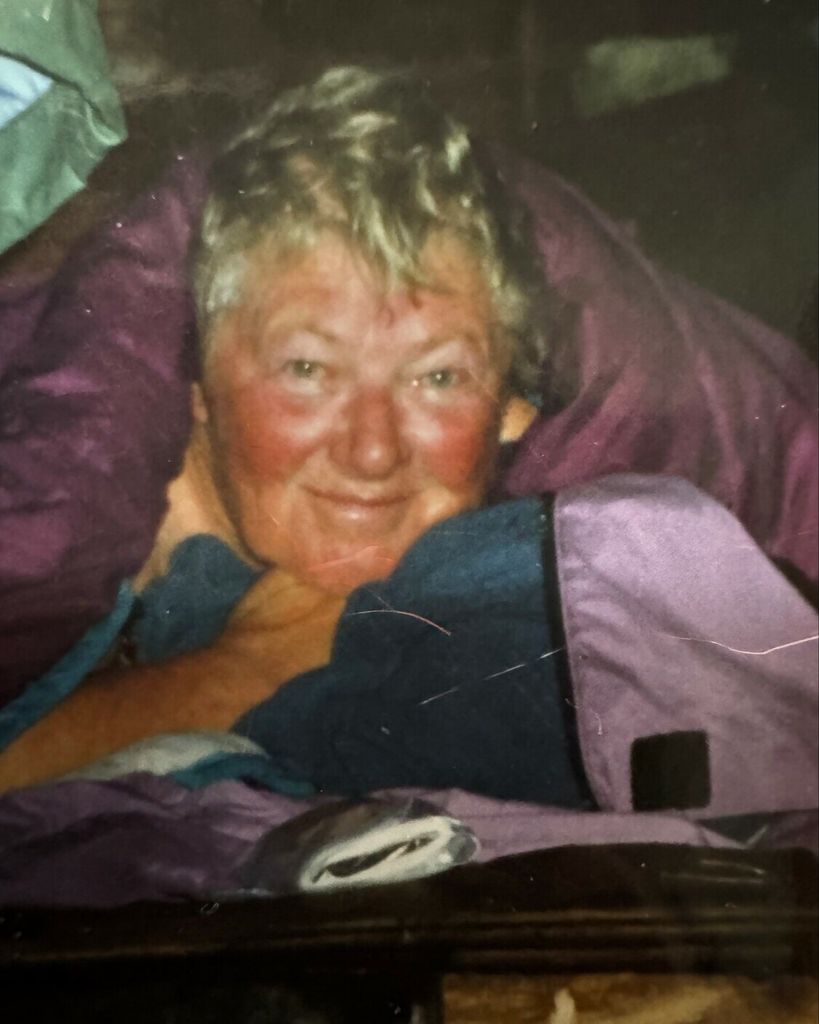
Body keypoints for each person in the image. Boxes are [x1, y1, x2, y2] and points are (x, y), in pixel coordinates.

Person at [0, 67, 815, 803]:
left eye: (437, 378)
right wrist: (242, 668)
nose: (372, 452)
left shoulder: (534, 581)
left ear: (510, 412)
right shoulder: (69, 483)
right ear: (200, 390)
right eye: (308, 369)